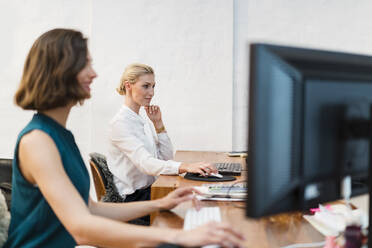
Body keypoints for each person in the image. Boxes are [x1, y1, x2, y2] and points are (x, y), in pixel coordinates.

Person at [4, 28, 244, 248]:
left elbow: (90, 209)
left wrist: (160, 204)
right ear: (61, 70)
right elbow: (80, 228)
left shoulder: (60, 136)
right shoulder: (38, 141)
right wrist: (176, 236)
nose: (94, 73)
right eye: (85, 64)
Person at [108, 63, 218, 205]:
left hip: (149, 190)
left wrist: (158, 124)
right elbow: (146, 164)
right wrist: (186, 166)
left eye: (153, 86)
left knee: (203, 195)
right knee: (196, 201)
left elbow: (166, 158)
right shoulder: (120, 124)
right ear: (128, 86)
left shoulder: (140, 120)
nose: (151, 92)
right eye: (146, 86)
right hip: (133, 199)